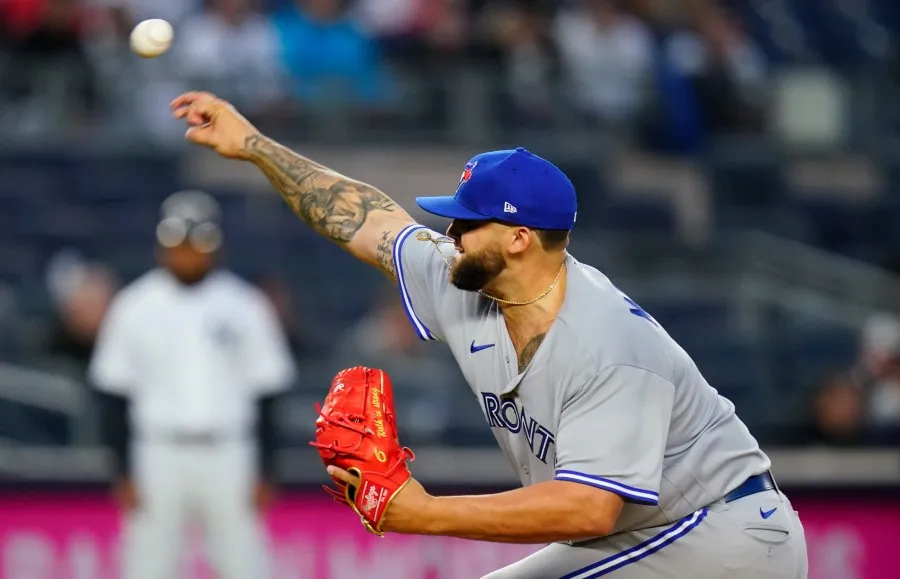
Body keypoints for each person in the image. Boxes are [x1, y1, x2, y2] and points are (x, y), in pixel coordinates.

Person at [170, 91, 808, 579]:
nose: (449, 237)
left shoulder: (610, 345)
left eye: (466, 224)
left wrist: (423, 513)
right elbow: (366, 220)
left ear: (520, 238)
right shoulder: (468, 280)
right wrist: (254, 144)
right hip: (646, 533)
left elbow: (587, 510)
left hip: (723, 534)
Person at [88, 189, 297, 579]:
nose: (187, 252)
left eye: (197, 244)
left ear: (215, 247)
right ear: (160, 245)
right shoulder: (134, 305)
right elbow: (112, 393)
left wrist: (268, 468)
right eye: (178, 244)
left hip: (230, 450)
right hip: (157, 450)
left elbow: (269, 391)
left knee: (246, 565)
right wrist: (122, 470)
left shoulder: (245, 305)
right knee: (147, 566)